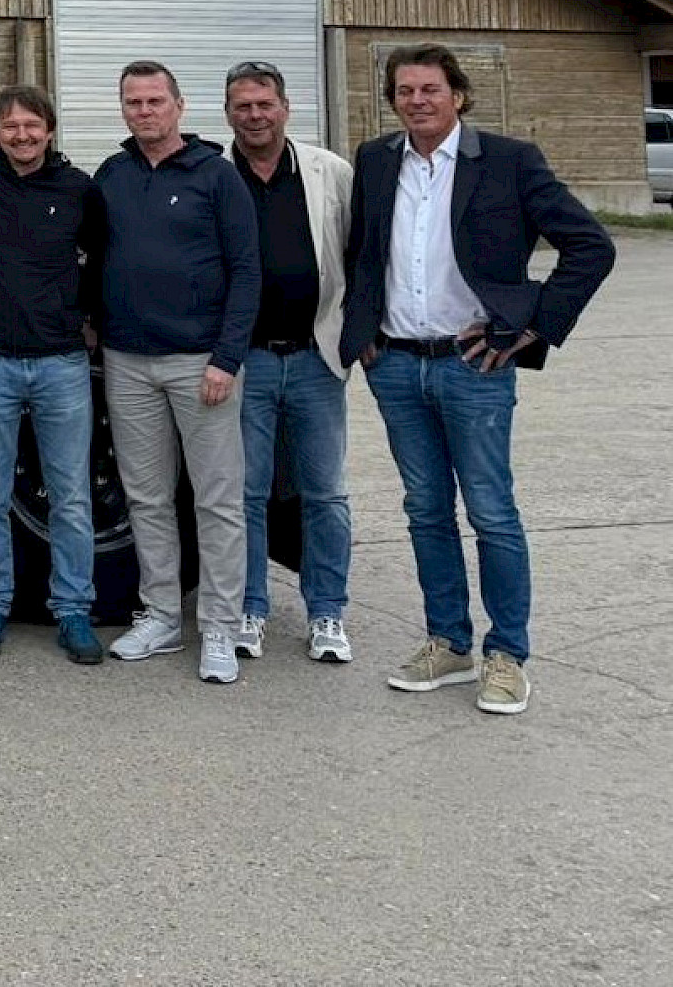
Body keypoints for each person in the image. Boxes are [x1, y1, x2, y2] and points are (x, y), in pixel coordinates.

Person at [342, 43, 614, 716]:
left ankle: (508, 655)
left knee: (491, 511)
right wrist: (364, 330)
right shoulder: (375, 161)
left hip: (474, 368)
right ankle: (449, 642)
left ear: (458, 95)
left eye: (430, 89)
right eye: (404, 91)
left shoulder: (510, 161)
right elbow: (363, 253)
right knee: (426, 509)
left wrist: (533, 325)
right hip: (396, 365)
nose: (417, 101)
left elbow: (590, 246)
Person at [93, 61, 260, 685]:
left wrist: (226, 358)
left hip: (201, 365)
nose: (144, 111)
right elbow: (94, 257)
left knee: (217, 501)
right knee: (146, 497)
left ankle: (219, 626)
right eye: (133, 102)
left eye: (155, 101)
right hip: (128, 363)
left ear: (180, 106)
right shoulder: (112, 176)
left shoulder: (217, 177)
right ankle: (162, 615)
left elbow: (247, 271)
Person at [0, 84, 109, 666]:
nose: (22, 136)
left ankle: (73, 610)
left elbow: (101, 258)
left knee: (70, 498)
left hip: (60, 363)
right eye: (10, 126)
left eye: (32, 126)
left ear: (50, 129)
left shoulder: (78, 190)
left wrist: (88, 316)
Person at [221, 60, 356, 667]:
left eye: (264, 104)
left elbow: (359, 255)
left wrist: (357, 334)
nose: (255, 116)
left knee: (324, 493)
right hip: (244, 363)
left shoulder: (330, 172)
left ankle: (327, 612)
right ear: (228, 113)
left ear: (284, 107)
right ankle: (251, 607)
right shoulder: (216, 176)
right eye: (243, 106)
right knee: (245, 494)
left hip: (314, 360)